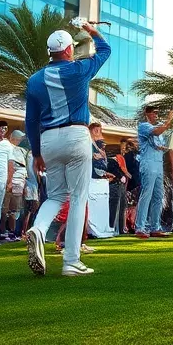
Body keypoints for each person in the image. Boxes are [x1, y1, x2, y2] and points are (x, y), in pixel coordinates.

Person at [24, 21, 111, 278]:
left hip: (48, 140)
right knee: (78, 197)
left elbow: (31, 121)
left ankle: (39, 229)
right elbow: (105, 50)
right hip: (76, 135)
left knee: (55, 196)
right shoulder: (79, 69)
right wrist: (91, 30)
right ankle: (71, 260)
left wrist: (37, 153)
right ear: (69, 50)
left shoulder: (34, 79)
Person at [134, 106, 173, 239]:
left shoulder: (159, 131)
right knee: (147, 194)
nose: (156, 115)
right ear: (147, 114)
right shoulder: (144, 126)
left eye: (157, 113)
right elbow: (156, 132)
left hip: (158, 164)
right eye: (154, 113)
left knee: (158, 196)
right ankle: (140, 227)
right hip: (148, 163)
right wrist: (168, 121)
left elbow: (159, 142)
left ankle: (155, 227)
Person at [0, 129, 28, 241]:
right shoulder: (6, 147)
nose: (19, 140)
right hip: (9, 181)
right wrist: (9, 181)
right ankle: (2, 232)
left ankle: (12, 232)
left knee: (15, 209)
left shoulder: (22, 150)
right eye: (18, 138)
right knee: (4, 208)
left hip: (20, 183)